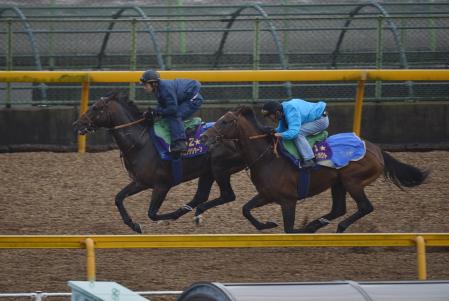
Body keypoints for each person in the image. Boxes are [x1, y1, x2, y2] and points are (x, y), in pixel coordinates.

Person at [140, 69, 204, 155]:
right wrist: (153, 112)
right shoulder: (158, 89)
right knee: (167, 115)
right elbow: (162, 105)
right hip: (184, 97)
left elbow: (172, 109)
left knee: (175, 115)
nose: (144, 87)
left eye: (145, 85)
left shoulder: (165, 89)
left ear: (153, 83)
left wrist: (157, 112)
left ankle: (180, 144)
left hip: (193, 99)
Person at [261, 98, 329, 168]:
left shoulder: (291, 110)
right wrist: (273, 131)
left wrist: (280, 135)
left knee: (298, 133)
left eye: (270, 116)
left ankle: (309, 159)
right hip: (316, 118)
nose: (270, 119)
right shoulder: (283, 110)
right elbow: (282, 129)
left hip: (321, 120)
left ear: (277, 112)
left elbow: (293, 133)